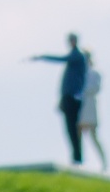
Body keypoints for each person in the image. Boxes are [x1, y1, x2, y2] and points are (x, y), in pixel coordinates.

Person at [32, 34, 92, 168]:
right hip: (67, 98)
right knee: (69, 129)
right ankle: (76, 157)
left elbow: (62, 59)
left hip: (73, 98)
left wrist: (43, 57)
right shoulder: (74, 58)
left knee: (73, 128)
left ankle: (77, 158)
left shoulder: (77, 56)